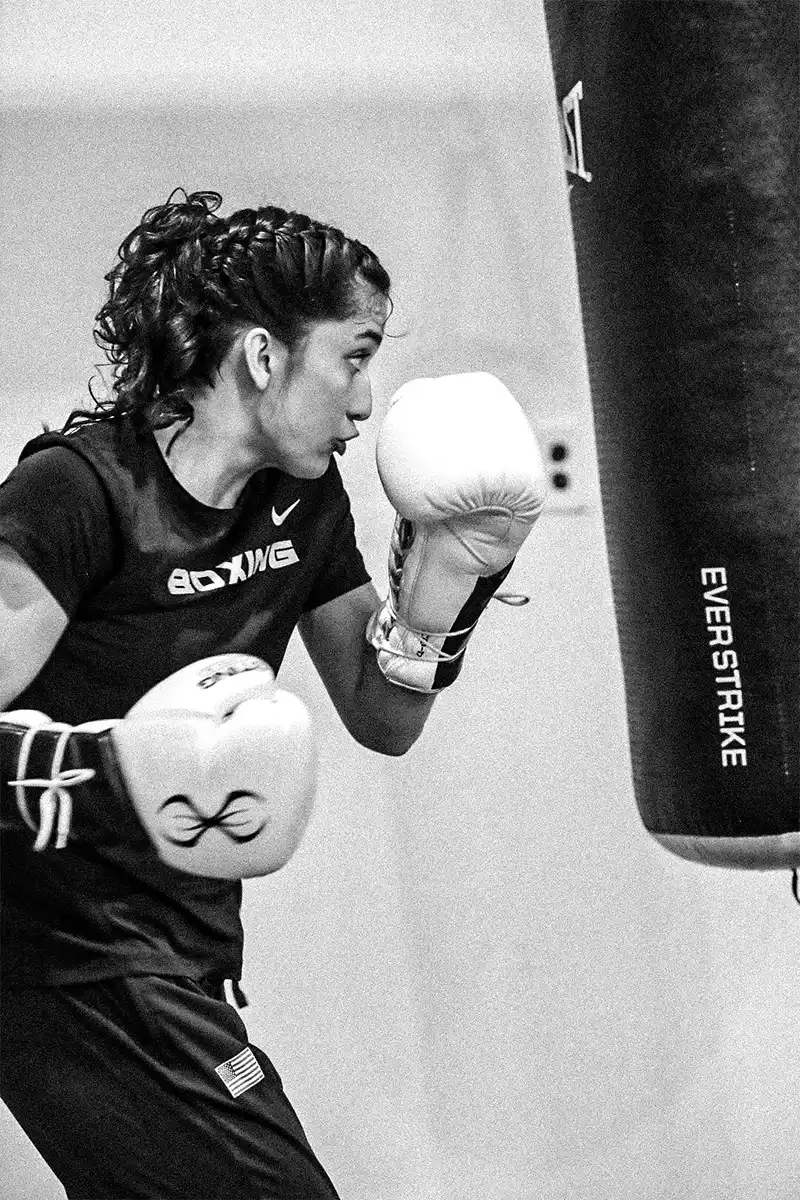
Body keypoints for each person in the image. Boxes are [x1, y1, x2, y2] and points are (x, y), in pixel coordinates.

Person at [0, 189, 546, 1199]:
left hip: (175, 951)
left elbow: (381, 718)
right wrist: (103, 772)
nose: (364, 399)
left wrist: (443, 592)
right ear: (262, 357)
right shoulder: (82, 493)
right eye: (354, 352)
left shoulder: (301, 502)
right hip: (63, 956)